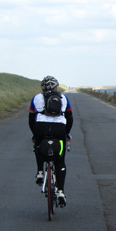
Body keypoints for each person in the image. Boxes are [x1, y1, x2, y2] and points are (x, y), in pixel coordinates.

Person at [29, 76, 73, 207]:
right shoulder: (64, 98)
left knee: (38, 145)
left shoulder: (36, 98)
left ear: (42, 88)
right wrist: (66, 134)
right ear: (56, 87)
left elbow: (31, 119)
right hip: (59, 129)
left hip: (41, 127)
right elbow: (69, 118)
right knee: (60, 160)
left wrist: (34, 134)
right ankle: (60, 191)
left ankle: (40, 172)